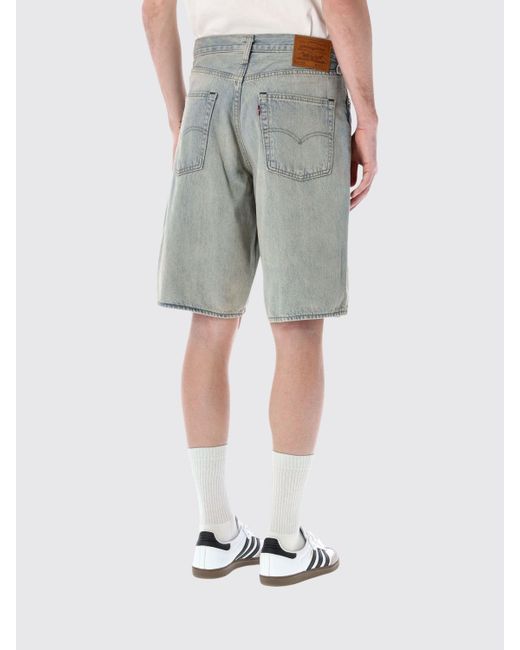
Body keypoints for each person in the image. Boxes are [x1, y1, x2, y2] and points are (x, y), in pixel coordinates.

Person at [143, 0, 378, 586]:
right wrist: (369, 115)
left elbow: (154, 9)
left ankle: (215, 531)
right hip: (301, 73)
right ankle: (284, 540)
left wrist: (179, 117)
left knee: (209, 321)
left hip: (208, 84)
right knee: (297, 321)